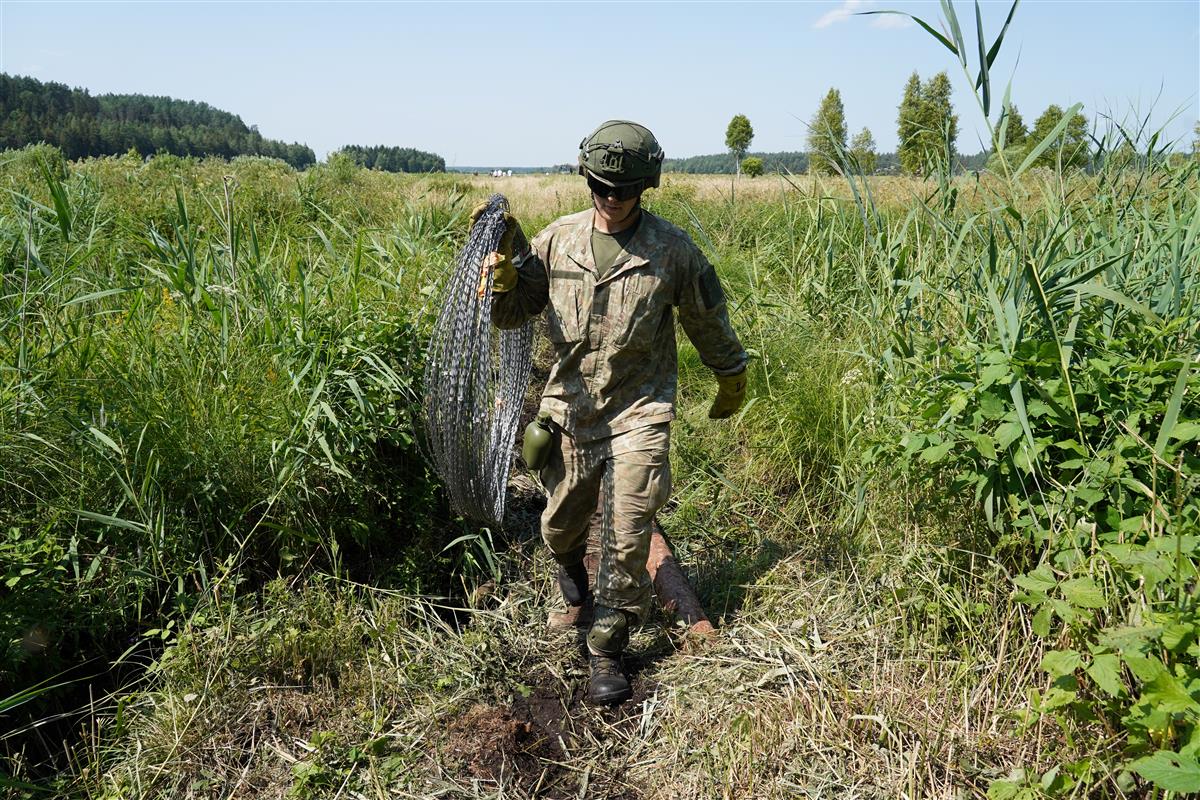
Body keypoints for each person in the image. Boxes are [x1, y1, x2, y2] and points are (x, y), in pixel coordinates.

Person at [476, 120, 748, 704]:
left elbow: (707, 317)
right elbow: (514, 315)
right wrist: (502, 286)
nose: (612, 198)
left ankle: (608, 647)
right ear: (587, 179)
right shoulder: (556, 241)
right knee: (562, 522)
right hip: (570, 407)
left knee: (628, 533)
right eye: (602, 185)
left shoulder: (672, 252)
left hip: (639, 408)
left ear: (645, 187)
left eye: (624, 189)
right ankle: (571, 577)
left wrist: (731, 375)